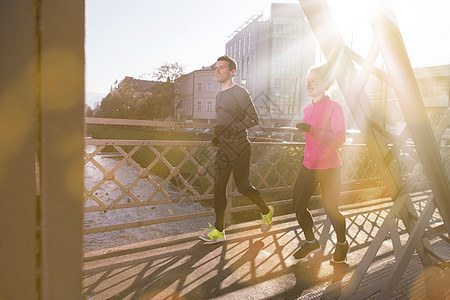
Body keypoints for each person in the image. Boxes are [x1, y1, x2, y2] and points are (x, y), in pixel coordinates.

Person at [199, 55, 274, 244]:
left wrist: (230, 129)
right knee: (218, 188)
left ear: (232, 72)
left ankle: (266, 211)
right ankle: (218, 230)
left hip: (240, 147)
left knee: (243, 187)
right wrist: (218, 136)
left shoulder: (240, 92)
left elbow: (253, 119)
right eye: (216, 67)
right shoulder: (218, 96)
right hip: (224, 148)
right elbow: (224, 122)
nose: (217, 71)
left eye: (222, 68)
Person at [292, 63, 349, 263]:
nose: (308, 84)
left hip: (330, 168)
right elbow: (311, 138)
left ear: (325, 84)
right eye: (307, 81)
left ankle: (342, 244)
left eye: (313, 81)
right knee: (298, 206)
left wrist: (312, 130)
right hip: (308, 165)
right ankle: (310, 241)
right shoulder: (307, 108)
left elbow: (340, 138)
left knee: (331, 209)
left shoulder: (335, 108)